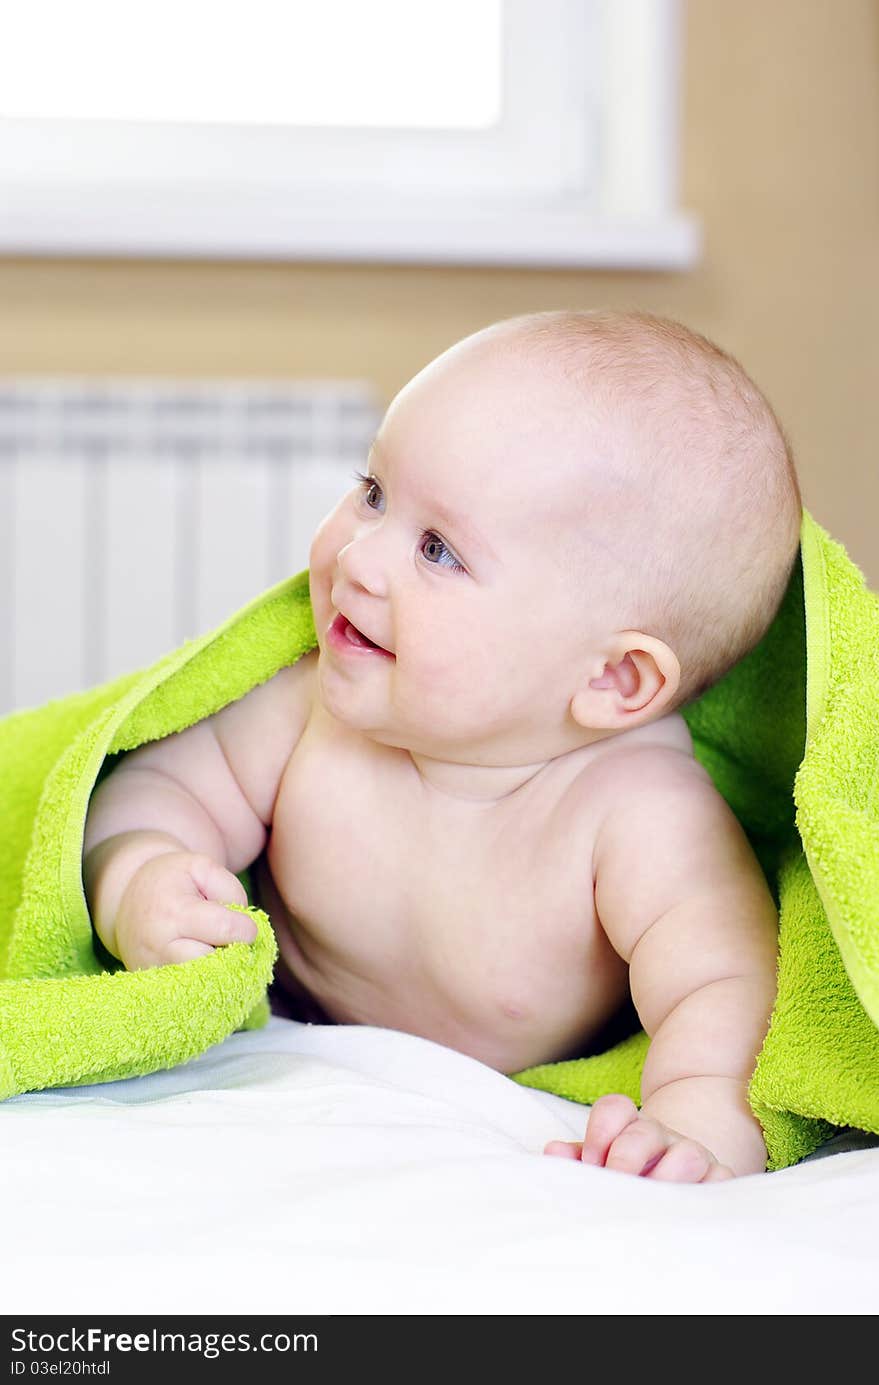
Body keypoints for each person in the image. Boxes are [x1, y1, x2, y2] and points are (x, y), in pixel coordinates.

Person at [82, 309, 802, 1183]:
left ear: (615, 680)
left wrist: (693, 1116)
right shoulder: (319, 706)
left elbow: (725, 985)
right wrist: (139, 880)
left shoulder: (636, 807)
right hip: (295, 1034)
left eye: (438, 550)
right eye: (374, 490)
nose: (359, 557)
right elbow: (148, 789)